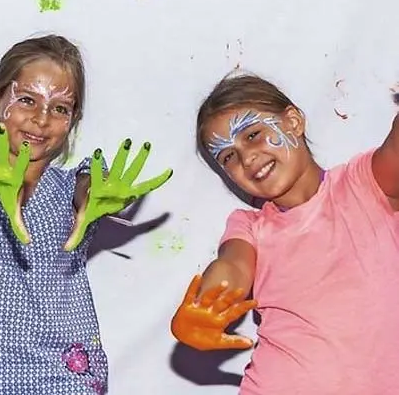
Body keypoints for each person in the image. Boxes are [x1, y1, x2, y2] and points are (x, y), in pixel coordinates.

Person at [0, 34, 172, 394]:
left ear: (73, 120)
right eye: (26, 100)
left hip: (62, 381)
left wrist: (94, 192)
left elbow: (87, 189)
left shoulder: (69, 189)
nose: (41, 119)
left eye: (60, 109)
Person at [171, 73, 399, 394]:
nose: (247, 158)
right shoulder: (249, 226)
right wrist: (206, 302)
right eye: (228, 157)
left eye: (252, 135)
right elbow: (232, 266)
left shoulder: (364, 182)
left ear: (293, 122)